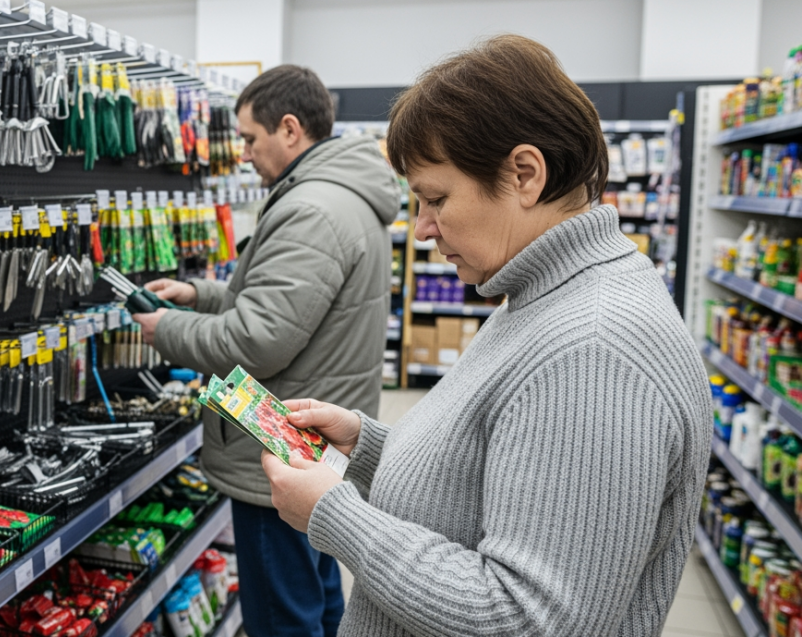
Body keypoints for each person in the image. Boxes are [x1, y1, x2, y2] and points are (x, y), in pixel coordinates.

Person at [262, 35, 712, 636]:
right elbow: (497, 476)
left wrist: (336, 515)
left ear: (524, 174)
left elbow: (528, 618)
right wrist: (367, 447)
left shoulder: (593, 350)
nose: (422, 229)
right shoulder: (540, 293)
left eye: (436, 198)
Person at [130, 64, 400, 637]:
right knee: (318, 593)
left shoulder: (311, 210)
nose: (245, 154)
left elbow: (257, 340)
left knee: (282, 616)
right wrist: (200, 295)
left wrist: (167, 329)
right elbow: (289, 306)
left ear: (290, 129)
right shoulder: (342, 194)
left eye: (251, 139)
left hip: (278, 442)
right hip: (316, 442)